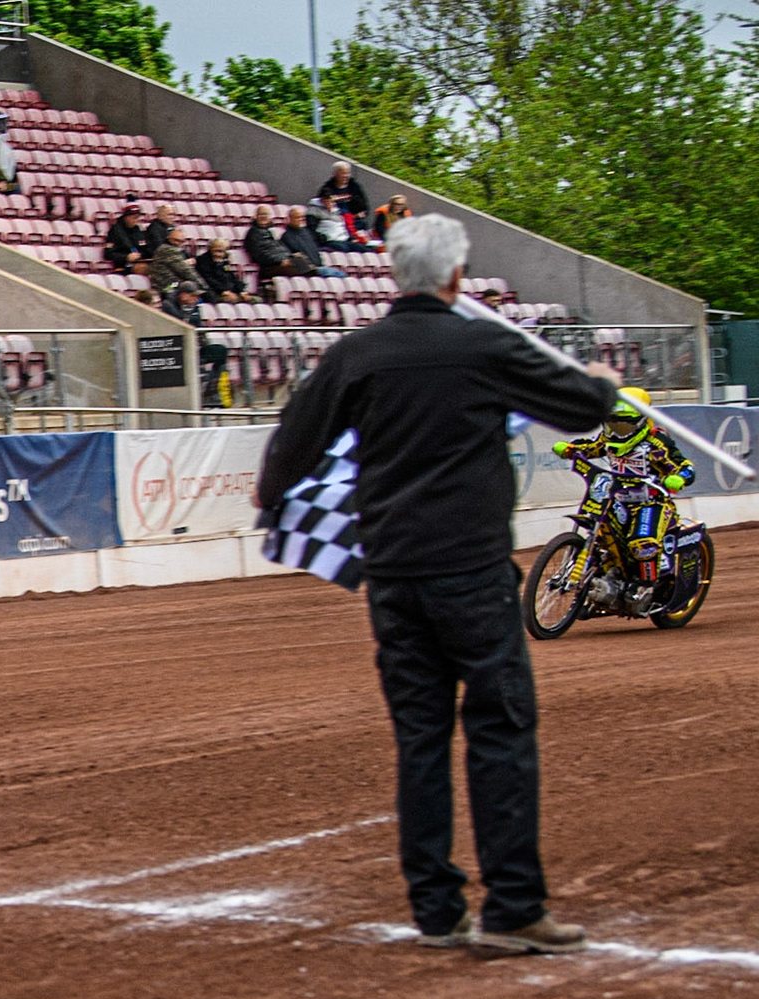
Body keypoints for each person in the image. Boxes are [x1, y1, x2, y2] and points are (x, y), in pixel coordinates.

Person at [256, 213, 621, 955]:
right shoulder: (484, 344)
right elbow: (581, 406)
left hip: (392, 576)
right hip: (472, 569)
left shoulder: (358, 354)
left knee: (420, 736)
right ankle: (514, 904)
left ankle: (435, 908)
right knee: (499, 727)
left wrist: (286, 500)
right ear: (456, 276)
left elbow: (284, 460)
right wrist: (604, 384)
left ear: (396, 273)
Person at [552, 386, 694, 594]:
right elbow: (590, 447)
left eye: (624, 426)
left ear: (642, 421)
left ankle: (646, 586)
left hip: (650, 501)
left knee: (641, 543)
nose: (618, 431)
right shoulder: (608, 439)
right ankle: (599, 579)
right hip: (616, 499)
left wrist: (679, 477)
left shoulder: (656, 443)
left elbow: (685, 467)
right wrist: (570, 449)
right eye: (612, 424)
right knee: (602, 536)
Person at [160, 280, 230, 407]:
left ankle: (212, 391)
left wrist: (204, 342)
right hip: (175, 348)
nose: (197, 299)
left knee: (220, 351)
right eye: (194, 296)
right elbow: (180, 324)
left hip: (195, 347)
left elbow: (199, 328)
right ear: (183, 295)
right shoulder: (168, 305)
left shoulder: (195, 308)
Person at [244, 204, 310, 281]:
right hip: (269, 266)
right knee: (298, 271)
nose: (263, 216)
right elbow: (259, 255)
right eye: (261, 214)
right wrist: (280, 261)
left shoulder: (271, 231)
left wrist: (289, 256)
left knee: (306, 265)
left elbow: (280, 249)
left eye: (266, 214)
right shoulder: (253, 234)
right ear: (256, 216)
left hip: (282, 262)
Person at [281, 206, 346, 278]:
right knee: (339, 275)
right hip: (309, 269)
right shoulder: (287, 236)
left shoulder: (307, 232)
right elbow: (294, 255)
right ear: (290, 219)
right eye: (297, 217)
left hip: (318, 266)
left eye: (302, 217)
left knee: (342, 275)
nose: (300, 219)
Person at [147, 225, 201, 295]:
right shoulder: (167, 250)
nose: (178, 243)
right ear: (169, 239)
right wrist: (203, 286)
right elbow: (185, 271)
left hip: (175, 284)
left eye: (181, 241)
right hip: (165, 287)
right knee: (188, 287)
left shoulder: (181, 251)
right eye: (176, 240)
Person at [194, 237, 245, 303]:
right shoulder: (203, 261)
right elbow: (208, 280)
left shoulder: (225, 262)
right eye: (216, 251)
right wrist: (223, 291)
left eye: (221, 251)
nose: (217, 254)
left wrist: (241, 291)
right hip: (214, 292)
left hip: (230, 291)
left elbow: (232, 277)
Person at [102, 203, 149, 271]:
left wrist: (140, 255)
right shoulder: (115, 231)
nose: (137, 220)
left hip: (139, 261)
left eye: (138, 217)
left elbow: (145, 249)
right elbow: (108, 254)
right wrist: (126, 257)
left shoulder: (138, 230)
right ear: (126, 217)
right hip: (123, 264)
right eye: (134, 218)